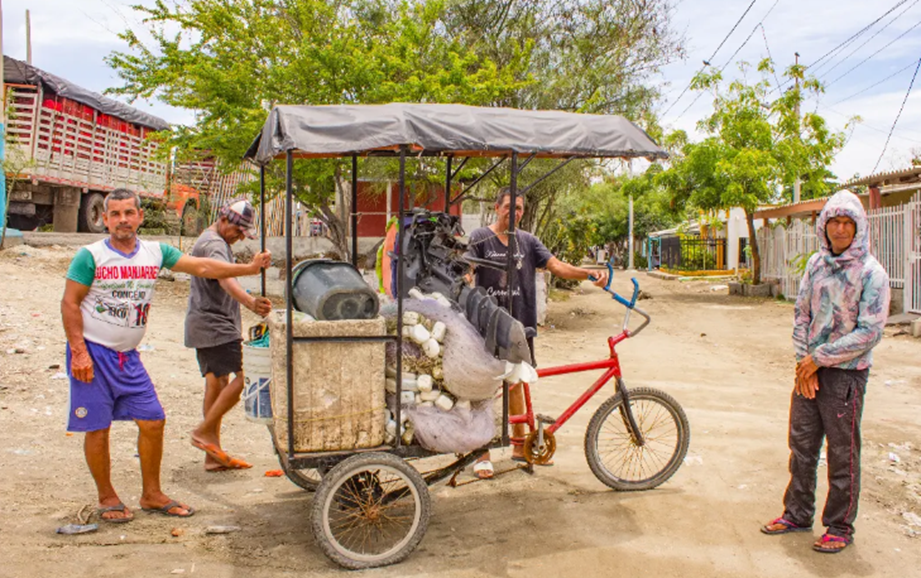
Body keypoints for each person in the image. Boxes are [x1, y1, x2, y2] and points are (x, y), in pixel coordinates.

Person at [61, 188, 271, 522]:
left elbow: (202, 267)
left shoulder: (155, 252)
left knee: (153, 420)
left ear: (140, 217)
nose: (122, 220)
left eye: (129, 213)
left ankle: (152, 494)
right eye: (115, 214)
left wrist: (248, 269)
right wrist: (78, 353)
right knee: (98, 429)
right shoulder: (90, 256)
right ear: (105, 219)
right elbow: (70, 303)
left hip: (128, 357)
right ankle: (107, 498)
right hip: (94, 354)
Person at [760, 190, 889, 553]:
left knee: (842, 452)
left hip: (846, 375)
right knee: (802, 446)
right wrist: (806, 361)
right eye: (835, 222)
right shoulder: (816, 264)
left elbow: (870, 332)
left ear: (859, 227)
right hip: (809, 372)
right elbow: (802, 313)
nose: (841, 229)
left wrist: (821, 358)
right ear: (825, 226)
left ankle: (839, 526)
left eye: (849, 223)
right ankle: (797, 513)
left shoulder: (870, 273)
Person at [465, 187, 607, 479]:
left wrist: (587, 273)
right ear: (497, 208)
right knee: (483, 388)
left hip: (519, 325)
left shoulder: (529, 242)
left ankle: (520, 446)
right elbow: (467, 268)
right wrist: (466, 279)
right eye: (509, 207)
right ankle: (481, 453)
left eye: (518, 209)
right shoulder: (481, 237)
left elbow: (556, 266)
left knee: (517, 382)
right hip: (488, 324)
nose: (514, 213)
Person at [185, 199, 272, 471]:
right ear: (225, 221)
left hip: (205, 323)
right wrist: (250, 302)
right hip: (214, 324)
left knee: (217, 383)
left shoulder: (213, 240)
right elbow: (224, 278)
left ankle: (212, 452)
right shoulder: (214, 245)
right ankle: (204, 431)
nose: (239, 238)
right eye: (238, 232)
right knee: (247, 375)